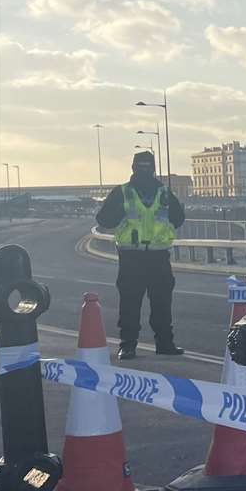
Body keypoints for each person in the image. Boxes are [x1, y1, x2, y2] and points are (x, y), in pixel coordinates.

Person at [95, 151, 185, 360]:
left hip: (158, 256)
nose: (144, 170)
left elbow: (178, 217)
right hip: (132, 257)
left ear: (153, 168)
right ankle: (128, 345)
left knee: (161, 303)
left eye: (147, 166)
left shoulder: (164, 193)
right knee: (130, 303)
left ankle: (165, 343)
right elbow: (103, 219)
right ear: (133, 167)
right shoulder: (123, 193)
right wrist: (118, 213)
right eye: (141, 166)